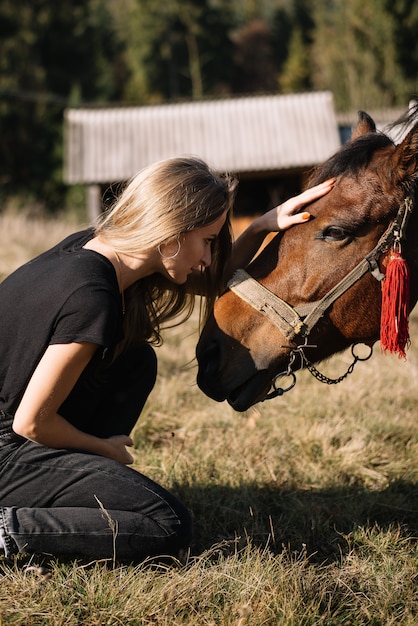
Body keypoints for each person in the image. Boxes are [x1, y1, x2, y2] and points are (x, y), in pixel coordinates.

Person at [0, 157, 334, 562]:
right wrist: (102, 448)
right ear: (170, 232)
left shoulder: (91, 248)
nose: (210, 257)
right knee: (166, 524)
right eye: (208, 240)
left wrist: (264, 225)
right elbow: (32, 422)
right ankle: (10, 530)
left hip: (14, 435)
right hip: (10, 449)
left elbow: (211, 277)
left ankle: (71, 490)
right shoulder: (92, 295)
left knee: (135, 362)